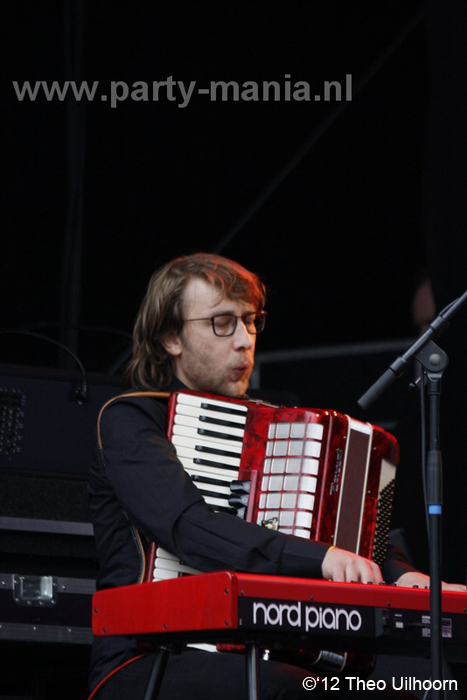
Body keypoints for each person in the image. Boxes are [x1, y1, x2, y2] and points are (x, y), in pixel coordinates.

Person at [88, 253, 464, 700]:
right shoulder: (130, 420)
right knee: (289, 692)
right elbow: (189, 528)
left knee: (408, 695)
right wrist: (320, 558)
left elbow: (362, 531)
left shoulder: (278, 427)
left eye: (250, 322)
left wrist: (399, 573)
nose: (245, 340)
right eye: (222, 323)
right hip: (146, 660)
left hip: (266, 658)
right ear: (171, 337)